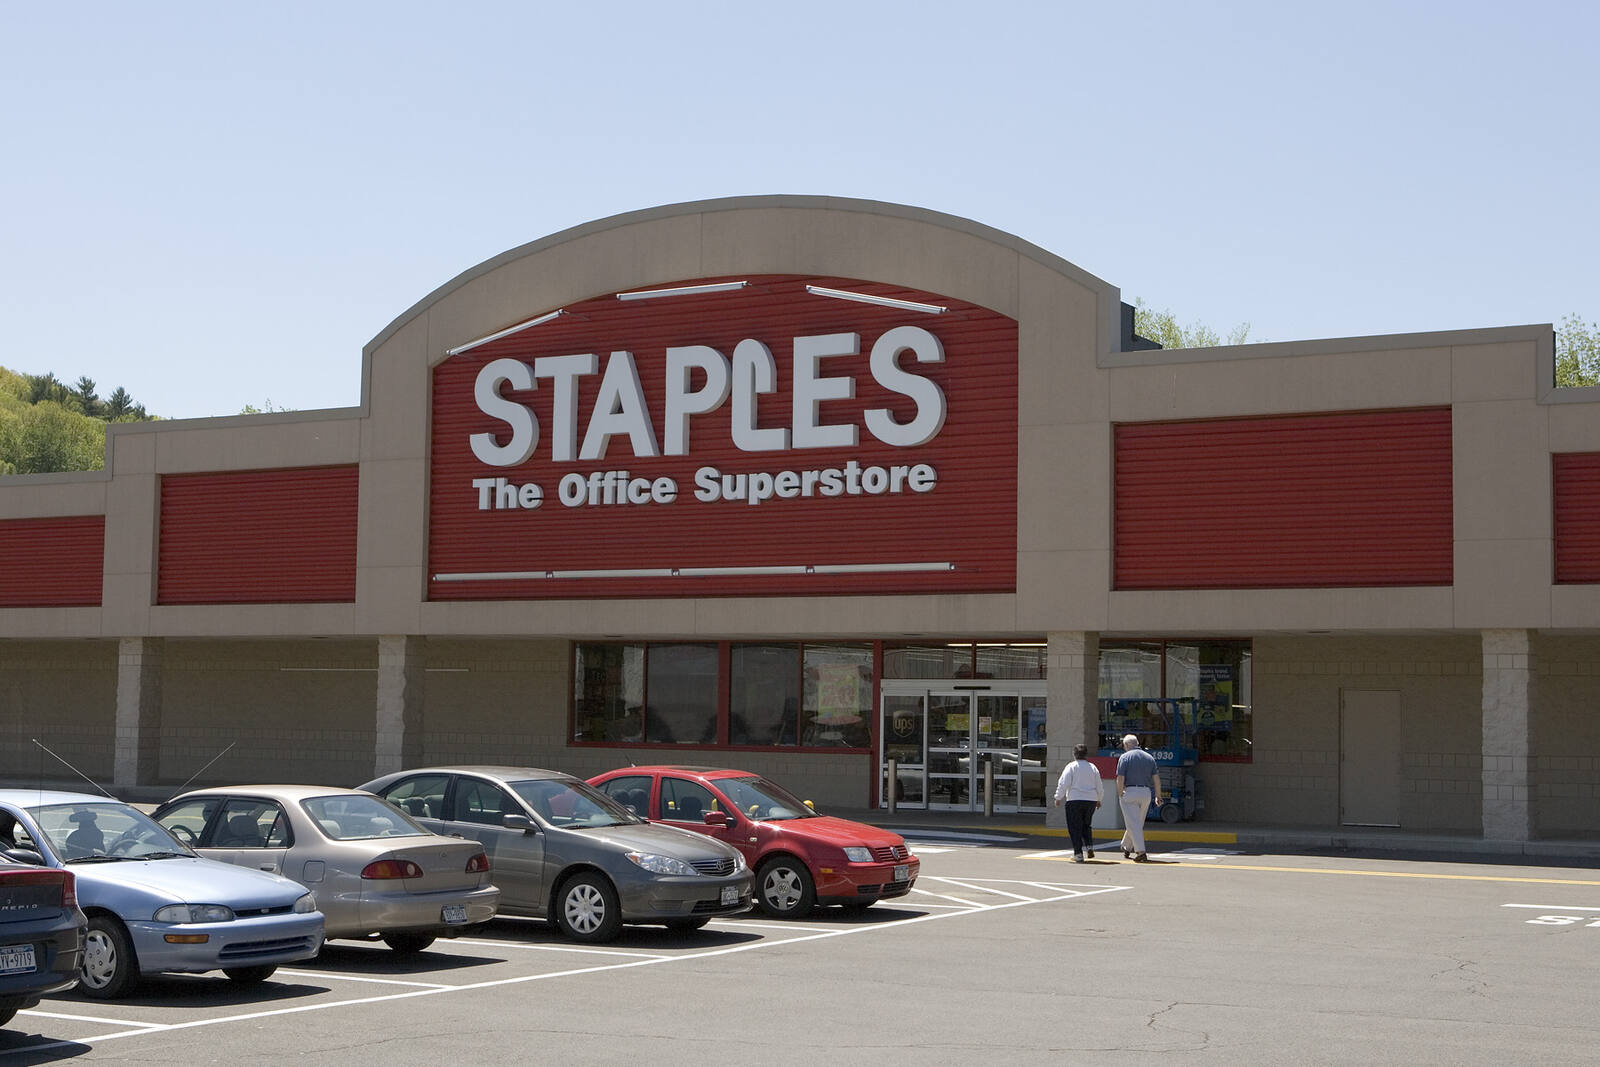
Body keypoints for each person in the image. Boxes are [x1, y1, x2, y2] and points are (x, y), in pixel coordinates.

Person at [1051, 744, 1102, 862]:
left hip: (1074, 800)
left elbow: (1063, 783)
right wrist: (1099, 799)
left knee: (1075, 827)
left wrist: (1058, 797)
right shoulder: (1093, 767)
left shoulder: (1071, 766)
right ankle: (1089, 846)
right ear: (1086, 755)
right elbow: (1099, 785)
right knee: (1086, 825)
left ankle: (1078, 853)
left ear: (1074, 755)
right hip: (1090, 800)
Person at [1115, 734, 1162, 862]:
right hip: (1146, 793)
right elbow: (1156, 779)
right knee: (1137, 822)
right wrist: (1158, 795)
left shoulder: (1124, 757)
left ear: (1126, 745)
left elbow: (1120, 778)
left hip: (1130, 791)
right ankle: (1126, 846)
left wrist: (1120, 793)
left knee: (1133, 823)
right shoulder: (1149, 757)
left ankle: (1141, 851)